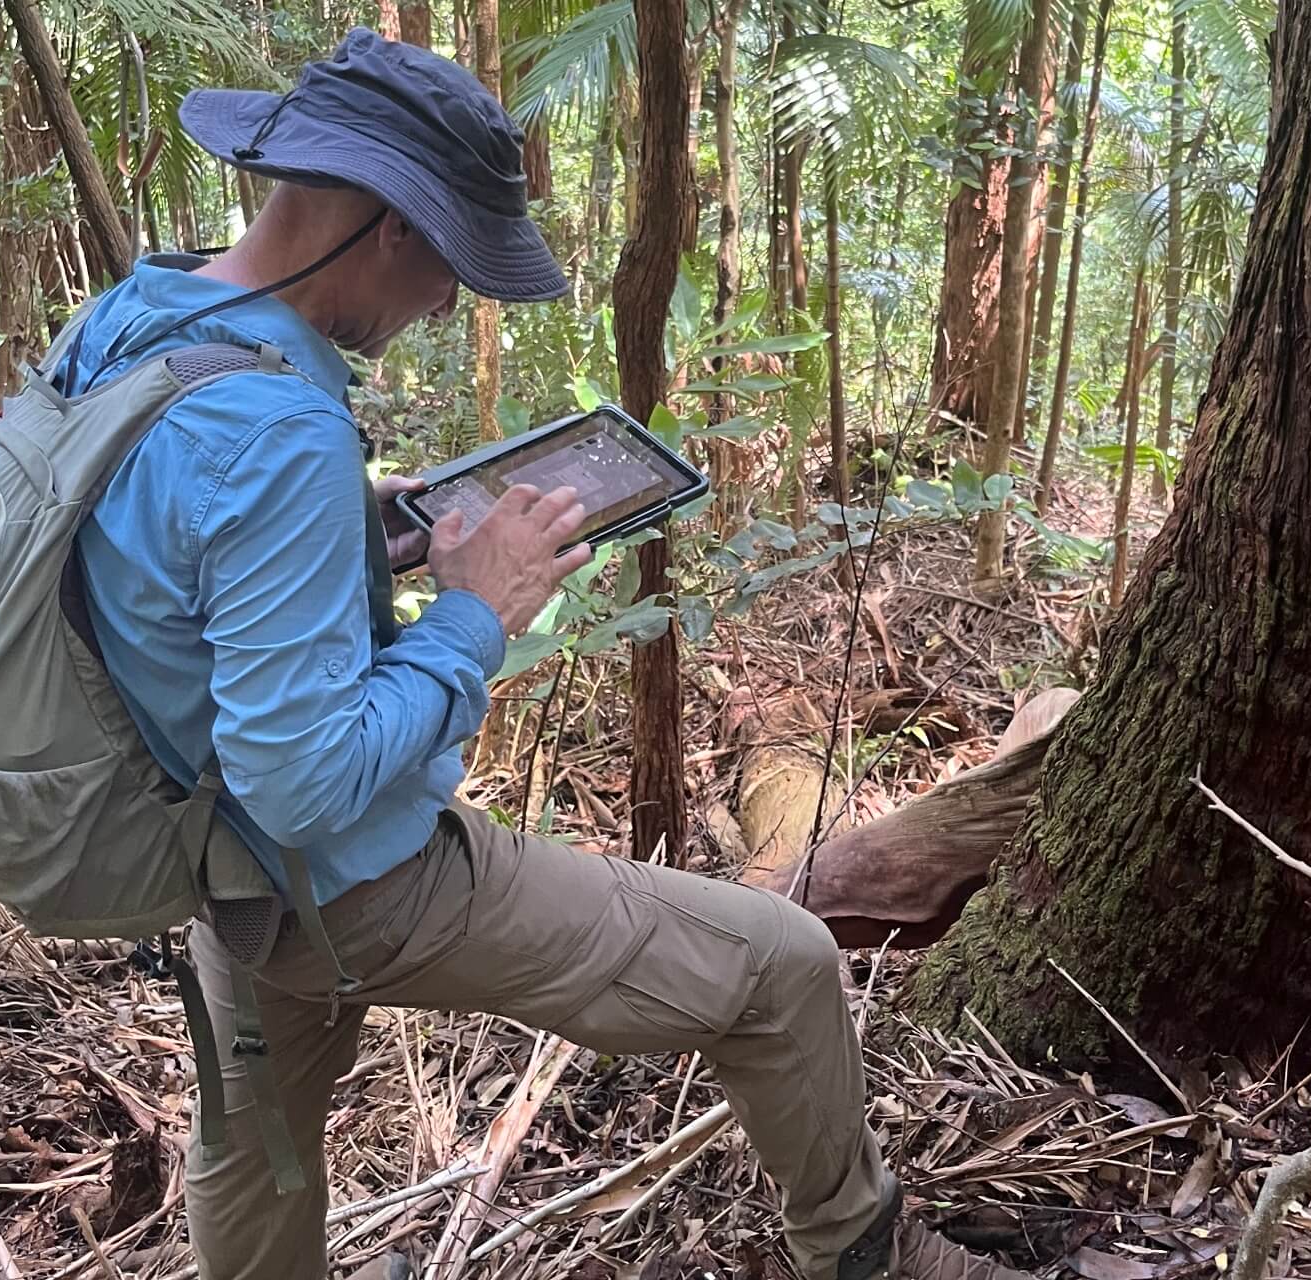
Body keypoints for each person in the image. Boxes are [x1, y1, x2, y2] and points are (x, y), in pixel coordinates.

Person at [66, 27, 1032, 1280]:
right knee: (782, 963)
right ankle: (866, 1254)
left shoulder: (144, 316)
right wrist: (481, 605)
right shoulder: (280, 434)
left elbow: (159, 546)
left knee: (257, 1157)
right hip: (342, 877)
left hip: (207, 867)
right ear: (391, 225)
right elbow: (300, 777)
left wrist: (362, 532)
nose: (447, 303)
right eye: (453, 263)